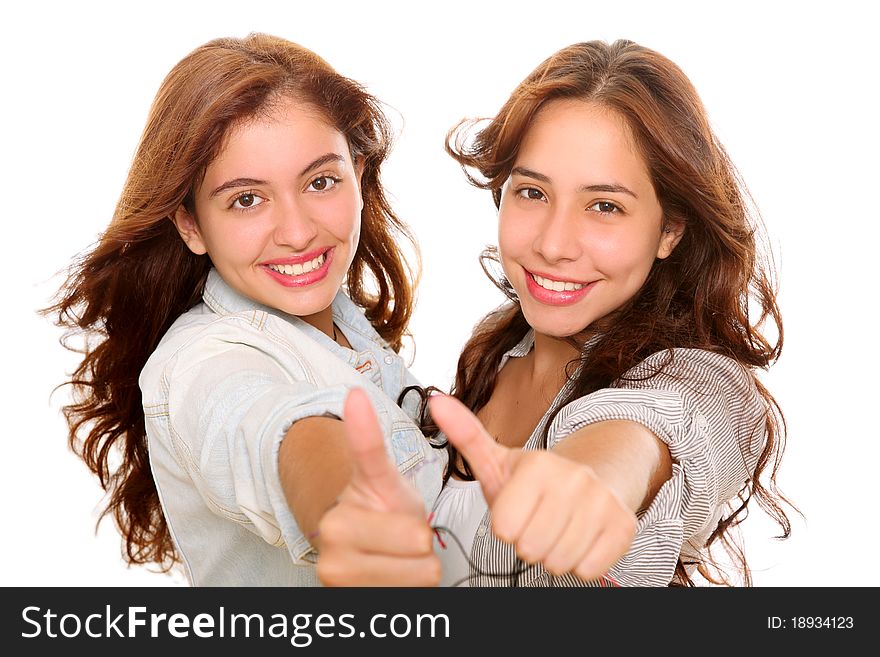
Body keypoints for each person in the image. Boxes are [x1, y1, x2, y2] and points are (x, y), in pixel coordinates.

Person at [316, 39, 794, 587]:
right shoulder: (498, 346)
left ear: (670, 229)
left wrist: (596, 477)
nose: (554, 244)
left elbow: (659, 424)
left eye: (605, 206)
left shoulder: (705, 378)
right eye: (533, 193)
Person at [47, 33, 446, 586]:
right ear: (190, 224)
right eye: (246, 199)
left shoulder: (342, 322)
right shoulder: (201, 361)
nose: (299, 232)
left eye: (321, 181)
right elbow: (264, 425)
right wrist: (350, 512)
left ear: (358, 175)